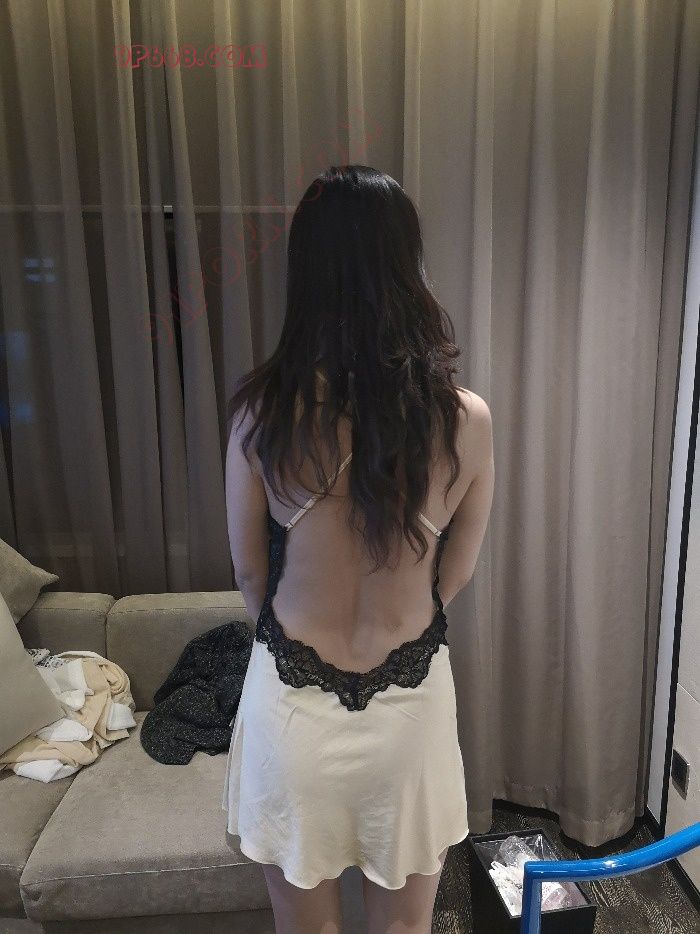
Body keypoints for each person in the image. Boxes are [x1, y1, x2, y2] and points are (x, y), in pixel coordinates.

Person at [222, 165, 495, 934]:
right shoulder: (466, 420)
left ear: (307, 275)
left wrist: (290, 622)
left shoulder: (261, 418)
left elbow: (248, 570)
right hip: (409, 712)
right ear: (407, 267)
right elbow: (457, 571)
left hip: (293, 710)